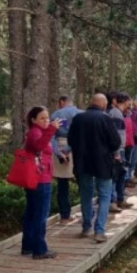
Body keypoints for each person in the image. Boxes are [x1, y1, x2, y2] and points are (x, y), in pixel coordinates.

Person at [68, 93, 122, 243]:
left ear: (91, 103)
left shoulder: (78, 118)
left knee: (86, 194)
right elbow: (116, 142)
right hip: (103, 162)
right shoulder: (106, 119)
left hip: (82, 162)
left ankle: (86, 227)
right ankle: (99, 231)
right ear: (104, 105)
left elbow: (71, 140)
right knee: (104, 196)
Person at [21, 106, 62, 259]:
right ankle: (39, 249)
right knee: (40, 215)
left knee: (32, 213)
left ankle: (28, 245)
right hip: (40, 179)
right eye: (42, 118)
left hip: (39, 177)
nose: (46, 121)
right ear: (33, 120)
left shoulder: (38, 132)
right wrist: (51, 130)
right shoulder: (35, 133)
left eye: (47, 118)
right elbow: (39, 146)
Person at [50, 95, 82, 224]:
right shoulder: (81, 114)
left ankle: (65, 215)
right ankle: (87, 214)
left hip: (62, 145)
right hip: (80, 147)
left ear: (61, 102)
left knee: (62, 184)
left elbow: (51, 135)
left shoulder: (58, 115)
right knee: (83, 182)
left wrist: (60, 152)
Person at [108, 92, 133, 212]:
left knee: (121, 174)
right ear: (125, 101)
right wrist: (117, 152)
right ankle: (113, 201)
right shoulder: (116, 114)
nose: (130, 103)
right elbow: (115, 134)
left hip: (120, 149)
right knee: (115, 176)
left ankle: (120, 199)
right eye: (129, 100)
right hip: (117, 150)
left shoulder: (120, 113)